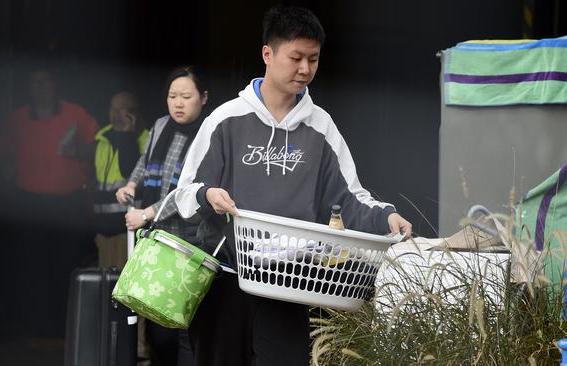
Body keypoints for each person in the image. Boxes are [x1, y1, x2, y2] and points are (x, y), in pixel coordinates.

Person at [173, 5, 412, 366]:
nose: (305, 69)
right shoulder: (226, 119)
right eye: (296, 57)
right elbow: (184, 194)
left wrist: (386, 217)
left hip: (290, 282)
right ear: (267, 54)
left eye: (313, 59)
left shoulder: (321, 126)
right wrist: (208, 195)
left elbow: (349, 198)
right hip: (224, 278)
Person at [0, 67, 99, 338]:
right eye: (34, 82)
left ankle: (65, 331)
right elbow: (3, 156)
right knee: (30, 268)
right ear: (28, 88)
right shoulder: (17, 118)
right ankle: (35, 330)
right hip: (28, 203)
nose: (40, 87)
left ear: (55, 85)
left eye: (45, 82)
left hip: (68, 204)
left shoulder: (75, 114)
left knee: (66, 266)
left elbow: (99, 146)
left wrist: (78, 151)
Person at [115, 66, 208, 366]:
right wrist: (130, 184)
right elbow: (146, 161)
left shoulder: (210, 134)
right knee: (155, 319)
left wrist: (147, 212)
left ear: (204, 98)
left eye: (186, 96)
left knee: (181, 323)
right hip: (155, 241)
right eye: (172, 96)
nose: (178, 103)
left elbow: (189, 190)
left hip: (188, 242)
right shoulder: (159, 126)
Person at [93, 91, 150, 237]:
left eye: (121, 109)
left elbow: (129, 171)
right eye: (112, 109)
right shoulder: (102, 137)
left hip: (128, 224)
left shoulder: (147, 139)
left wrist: (127, 135)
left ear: (133, 113)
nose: (115, 114)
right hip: (102, 222)